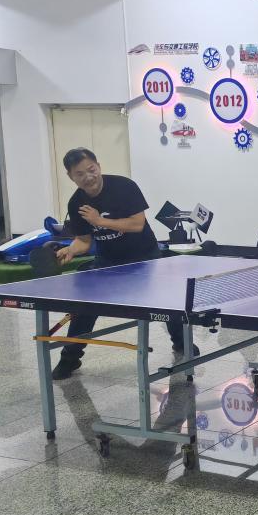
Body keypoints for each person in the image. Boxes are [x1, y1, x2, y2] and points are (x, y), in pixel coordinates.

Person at [51, 147, 192, 379]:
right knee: (85, 306)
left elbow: (137, 224)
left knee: (166, 303)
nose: (88, 177)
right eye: (80, 174)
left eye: (91, 169)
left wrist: (99, 221)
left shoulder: (124, 187)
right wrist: (70, 250)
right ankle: (70, 358)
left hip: (144, 256)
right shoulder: (76, 203)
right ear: (70, 176)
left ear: (98, 166)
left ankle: (182, 343)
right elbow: (84, 242)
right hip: (109, 261)